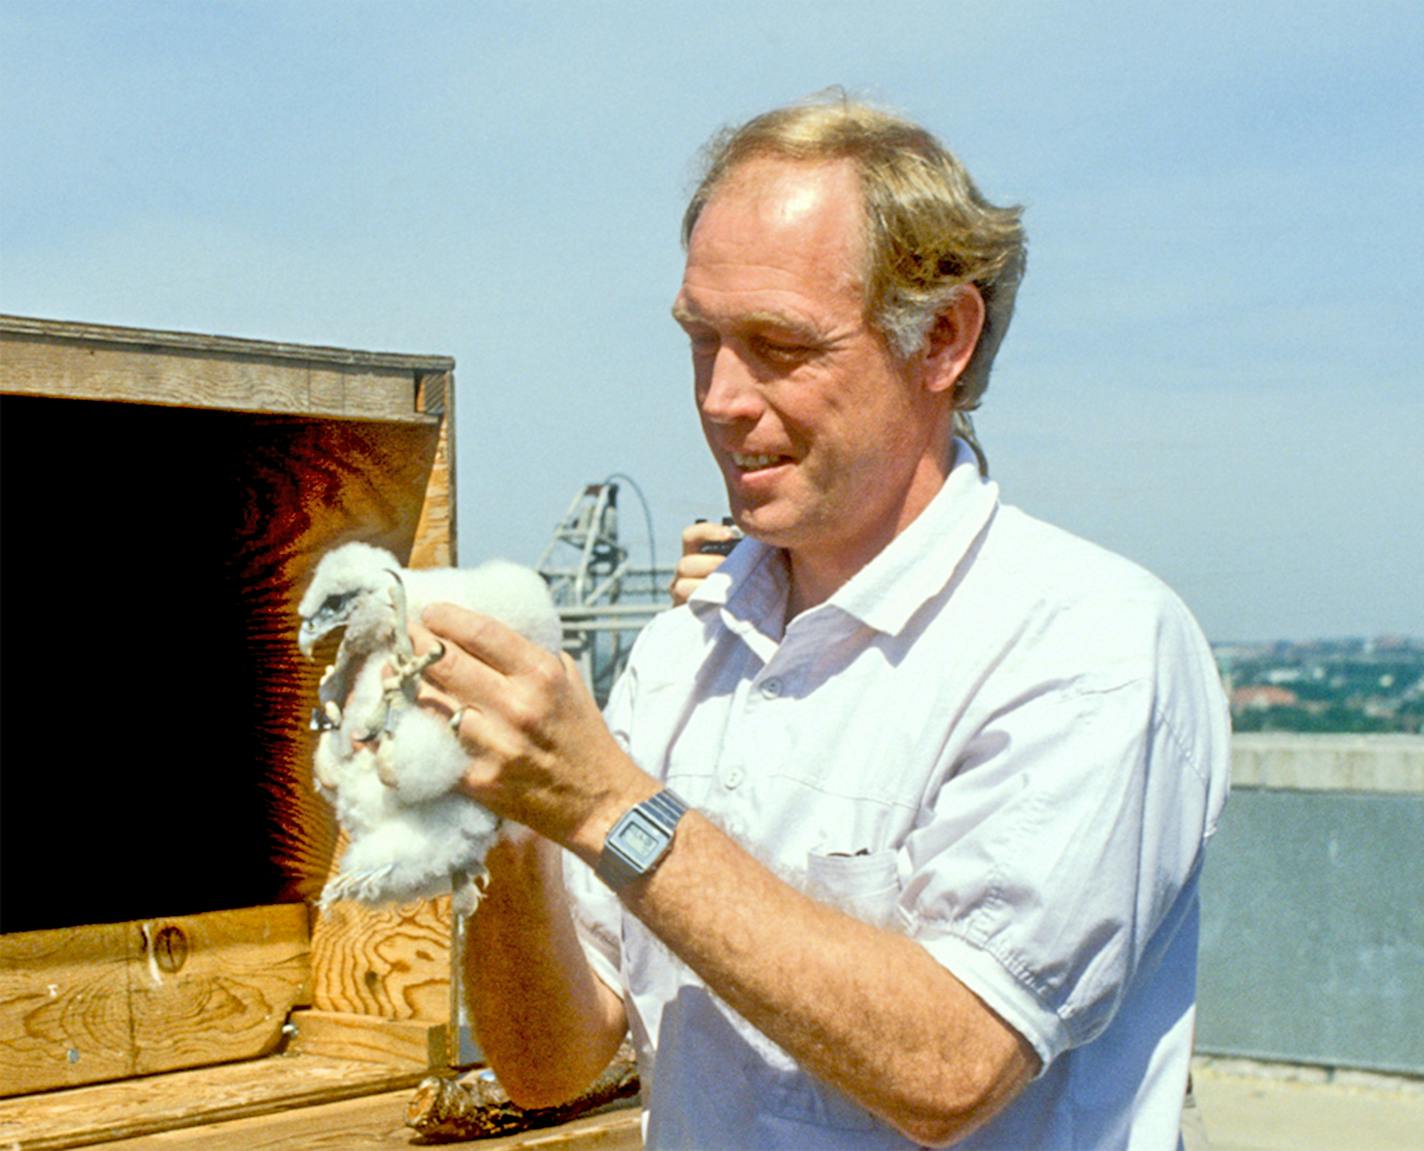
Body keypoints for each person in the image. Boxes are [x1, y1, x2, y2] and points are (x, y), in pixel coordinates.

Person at [409, 93, 1230, 1149]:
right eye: (700, 339)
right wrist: (514, 819)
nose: (717, 395)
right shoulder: (681, 652)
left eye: (776, 345)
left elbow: (952, 1063)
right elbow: (551, 1059)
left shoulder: (1090, 645)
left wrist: (609, 801)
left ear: (941, 337)